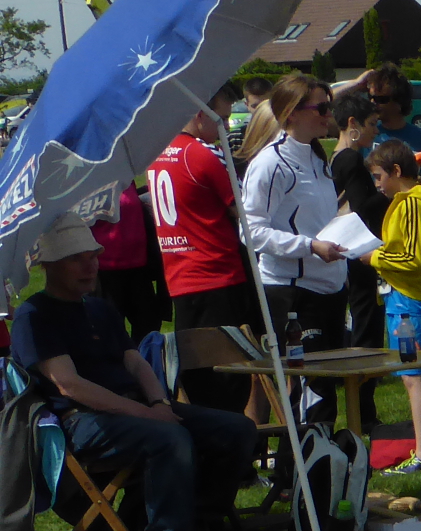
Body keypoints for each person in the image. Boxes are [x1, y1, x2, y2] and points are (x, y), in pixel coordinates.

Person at [10, 222, 259, 531]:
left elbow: (136, 363)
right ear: (48, 266)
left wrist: (159, 404)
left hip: (135, 408)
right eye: (76, 259)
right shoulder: (34, 316)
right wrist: (147, 413)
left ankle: (199, 522)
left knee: (237, 429)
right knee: (169, 438)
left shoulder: (99, 309)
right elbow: (70, 386)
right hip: (81, 421)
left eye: (94, 256)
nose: (90, 266)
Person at [146, 84, 268, 421]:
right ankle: (229, 441)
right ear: (201, 114)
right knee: (229, 375)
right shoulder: (202, 154)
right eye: (222, 119)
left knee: (196, 371)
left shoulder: (158, 155)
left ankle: (210, 434)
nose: (225, 128)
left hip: (179, 275)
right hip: (217, 275)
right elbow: (243, 210)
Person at [238, 73, 350, 358]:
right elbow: (250, 232)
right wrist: (310, 246)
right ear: (292, 113)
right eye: (321, 108)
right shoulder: (270, 163)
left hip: (332, 290)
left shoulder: (316, 157)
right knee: (311, 382)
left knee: (334, 378)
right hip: (293, 292)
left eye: (329, 107)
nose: (328, 115)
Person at [365, 140, 421, 473]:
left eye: (379, 177)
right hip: (402, 299)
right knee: (411, 374)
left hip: (407, 303)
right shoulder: (411, 202)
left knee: (412, 375)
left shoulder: (412, 204)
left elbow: (414, 259)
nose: (377, 185)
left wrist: (375, 257)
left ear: (396, 171)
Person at [328, 89, 389, 350]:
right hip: (359, 246)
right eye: (372, 124)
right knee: (366, 312)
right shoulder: (351, 158)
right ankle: (366, 362)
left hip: (346, 244)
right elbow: (361, 207)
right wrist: (389, 192)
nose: (376, 131)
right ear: (353, 123)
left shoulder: (336, 156)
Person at [92, 179, 168, 339]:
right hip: (106, 270)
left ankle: (140, 356)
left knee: (149, 325)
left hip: (138, 266)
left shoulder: (126, 178)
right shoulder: (90, 181)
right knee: (110, 333)